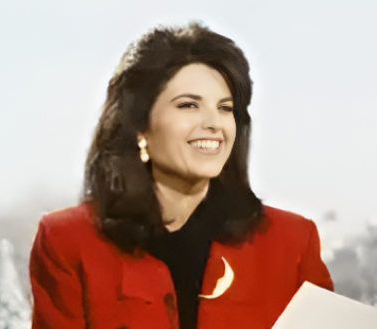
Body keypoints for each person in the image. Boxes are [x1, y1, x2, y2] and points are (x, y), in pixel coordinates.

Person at [29, 22, 333, 329]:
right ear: (139, 127)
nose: (214, 123)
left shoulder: (293, 242)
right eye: (189, 105)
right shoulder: (67, 241)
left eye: (225, 108)